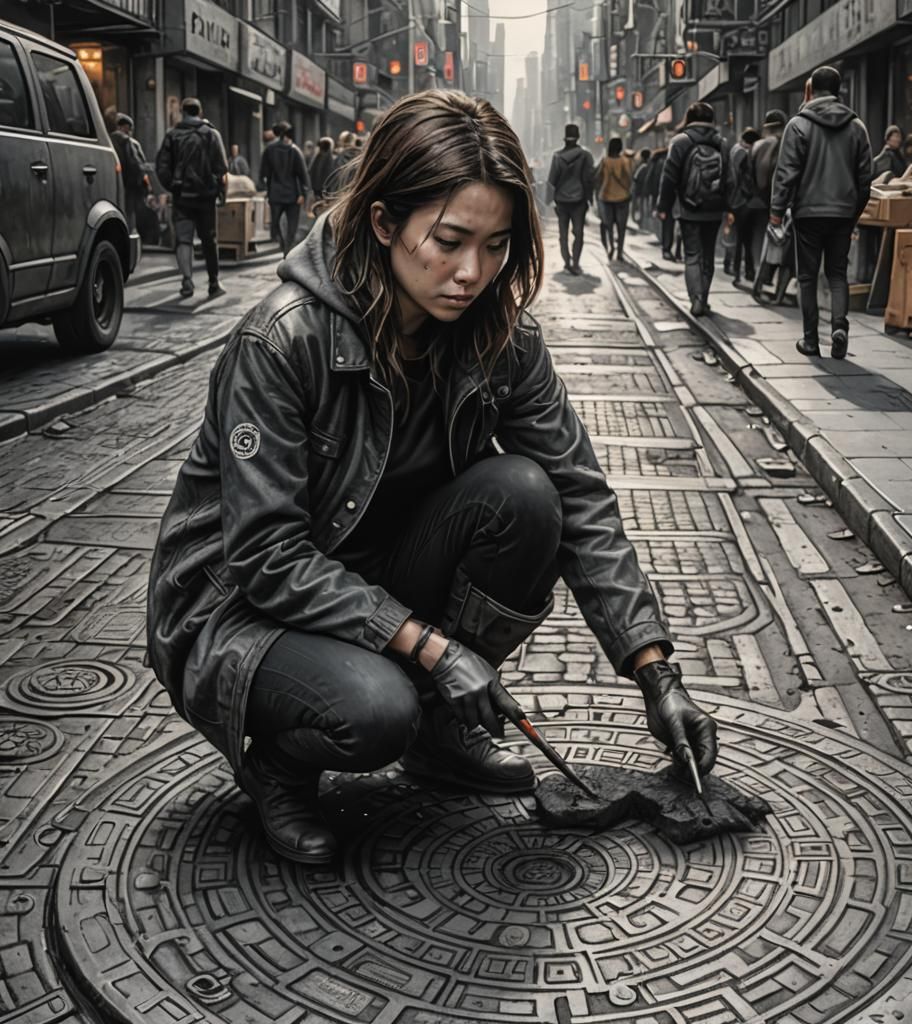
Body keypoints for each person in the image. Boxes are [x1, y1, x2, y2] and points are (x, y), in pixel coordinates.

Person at [145, 89, 719, 865]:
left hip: (375, 574)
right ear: (385, 223)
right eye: (448, 241)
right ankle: (278, 767)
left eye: (496, 246)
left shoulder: (502, 340)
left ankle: (442, 739)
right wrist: (436, 651)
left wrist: (657, 673)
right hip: (240, 607)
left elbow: (580, 494)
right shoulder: (283, 341)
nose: (472, 272)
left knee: (527, 495)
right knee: (377, 711)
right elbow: (264, 556)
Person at [770, 66, 872, 359]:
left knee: (807, 277)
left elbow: (786, 173)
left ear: (810, 89)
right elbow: (866, 177)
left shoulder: (798, 125)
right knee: (838, 274)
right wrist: (854, 213)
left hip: (808, 213)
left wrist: (777, 211)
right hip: (843, 212)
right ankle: (839, 326)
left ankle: (811, 340)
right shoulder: (857, 126)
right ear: (839, 90)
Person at [657, 102, 733, 317]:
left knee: (692, 255)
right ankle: (705, 298)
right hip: (714, 208)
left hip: (689, 208)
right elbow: (729, 179)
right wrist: (728, 207)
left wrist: (664, 207)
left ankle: (696, 299)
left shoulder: (680, 141)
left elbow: (669, 177)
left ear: (688, 118)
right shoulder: (722, 143)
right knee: (708, 255)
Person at [155, 97, 228, 299]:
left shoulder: (172, 135)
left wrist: (173, 186)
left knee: (183, 240)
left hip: (182, 198)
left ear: (182, 112)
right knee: (209, 240)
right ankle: (213, 283)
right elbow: (222, 167)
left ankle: (187, 281)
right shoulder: (212, 134)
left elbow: (161, 167)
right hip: (206, 198)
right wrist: (218, 189)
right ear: (200, 111)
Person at [546, 123, 595, 275]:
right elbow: (589, 179)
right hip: (579, 201)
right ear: (578, 138)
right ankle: (576, 263)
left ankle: (567, 261)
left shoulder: (557, 157)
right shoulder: (585, 155)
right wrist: (589, 199)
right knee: (578, 233)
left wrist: (549, 200)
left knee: (563, 234)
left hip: (561, 201)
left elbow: (551, 181)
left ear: (565, 139)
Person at [259, 121, 311, 255]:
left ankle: (283, 246)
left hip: (275, 194)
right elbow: (303, 175)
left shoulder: (269, 150)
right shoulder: (294, 150)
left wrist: (266, 188)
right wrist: (303, 193)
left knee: (276, 224)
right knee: (292, 227)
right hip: (293, 194)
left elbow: (263, 173)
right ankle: (288, 251)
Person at [749, 109, 786, 295]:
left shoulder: (756, 146)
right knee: (775, 242)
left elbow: (749, 174)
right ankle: (766, 277)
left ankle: (757, 275)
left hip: (756, 201)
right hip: (775, 201)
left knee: (759, 240)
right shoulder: (783, 144)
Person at [727, 127, 760, 285]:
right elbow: (744, 178)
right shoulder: (744, 154)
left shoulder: (734, 149)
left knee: (738, 237)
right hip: (743, 201)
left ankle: (737, 269)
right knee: (745, 238)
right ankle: (746, 271)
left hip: (733, 201)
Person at [595, 137, 633, 261]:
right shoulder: (625, 161)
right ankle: (620, 252)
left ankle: (611, 247)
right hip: (622, 197)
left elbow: (598, 178)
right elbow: (628, 178)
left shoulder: (604, 161)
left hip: (606, 197)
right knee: (621, 227)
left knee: (609, 225)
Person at [111, 113, 150, 234]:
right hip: (130, 185)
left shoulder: (108, 141)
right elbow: (137, 165)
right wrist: (142, 184)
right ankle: (129, 237)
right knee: (130, 213)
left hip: (112, 182)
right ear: (126, 127)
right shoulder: (130, 142)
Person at [309, 136, 336, 201]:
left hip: (317, 189)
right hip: (326, 190)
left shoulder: (317, 157)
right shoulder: (330, 158)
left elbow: (310, 172)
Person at [632, 148, 652, 228]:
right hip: (646, 192)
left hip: (640, 192)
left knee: (642, 209)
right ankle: (644, 225)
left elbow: (635, 178)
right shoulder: (649, 166)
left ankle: (642, 225)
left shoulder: (642, 167)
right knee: (644, 209)